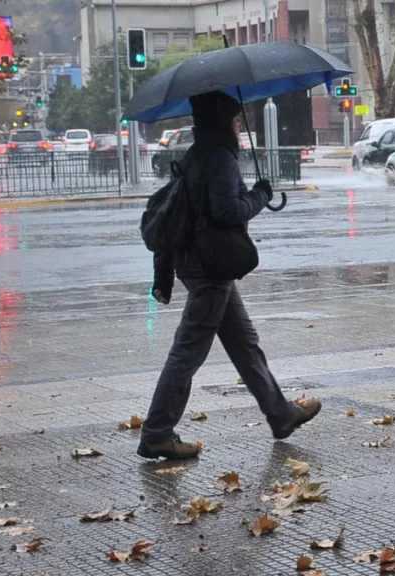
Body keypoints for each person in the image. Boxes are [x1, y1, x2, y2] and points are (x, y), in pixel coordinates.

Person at [138, 91, 321, 460]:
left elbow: (181, 212)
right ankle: (157, 433)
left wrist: (164, 275)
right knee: (186, 353)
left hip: (202, 267)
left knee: (243, 343)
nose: (238, 126)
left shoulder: (195, 155)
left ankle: (281, 414)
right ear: (223, 122)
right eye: (235, 120)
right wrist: (260, 195)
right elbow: (228, 211)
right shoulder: (219, 158)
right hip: (210, 270)